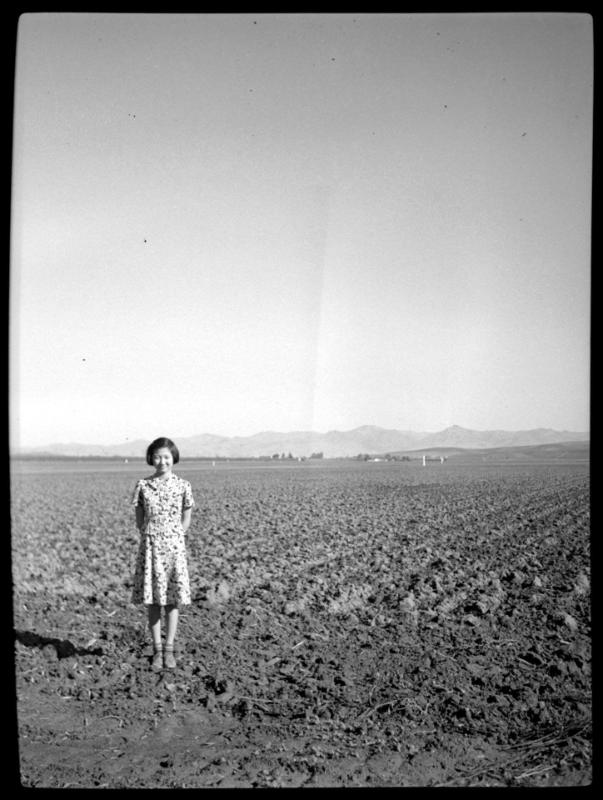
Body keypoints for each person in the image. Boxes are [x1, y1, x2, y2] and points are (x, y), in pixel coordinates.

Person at [131, 437, 194, 671]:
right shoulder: (143, 485)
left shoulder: (183, 485)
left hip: (174, 548)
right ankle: (157, 650)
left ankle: (169, 649)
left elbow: (187, 515)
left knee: (172, 600)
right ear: (151, 458)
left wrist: (176, 535)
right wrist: (151, 535)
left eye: (166, 456)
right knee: (154, 601)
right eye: (157, 456)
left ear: (173, 458)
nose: (162, 461)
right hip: (151, 547)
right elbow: (139, 517)